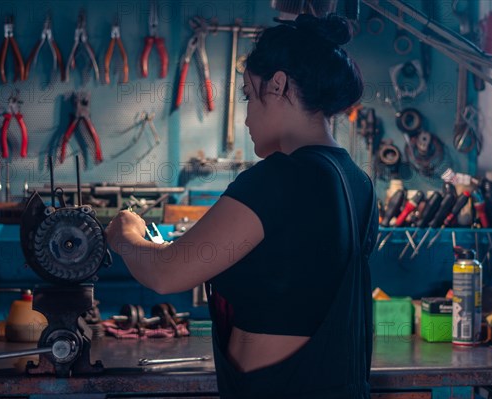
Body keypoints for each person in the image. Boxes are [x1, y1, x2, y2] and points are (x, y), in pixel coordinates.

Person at [106, 13, 378, 399]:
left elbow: (166, 273)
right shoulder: (359, 182)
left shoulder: (281, 177)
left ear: (279, 84)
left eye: (250, 95)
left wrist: (125, 233)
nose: (247, 116)